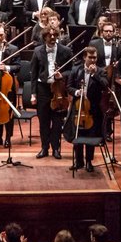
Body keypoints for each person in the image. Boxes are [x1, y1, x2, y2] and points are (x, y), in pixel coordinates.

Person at [30, 25, 72, 160]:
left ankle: (56, 148)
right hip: (43, 89)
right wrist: (33, 94)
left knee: (57, 120)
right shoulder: (37, 51)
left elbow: (71, 70)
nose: (53, 37)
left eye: (55, 35)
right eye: (50, 35)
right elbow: (33, 74)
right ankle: (44, 148)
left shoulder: (65, 51)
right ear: (44, 37)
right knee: (44, 120)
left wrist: (62, 75)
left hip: (58, 88)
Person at [66, 47, 107, 172]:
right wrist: (77, 92)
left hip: (93, 109)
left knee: (90, 134)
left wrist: (94, 75)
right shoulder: (76, 70)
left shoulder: (100, 71)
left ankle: (89, 161)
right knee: (77, 133)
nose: (93, 60)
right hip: (78, 107)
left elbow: (105, 85)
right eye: (90, 57)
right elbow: (69, 87)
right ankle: (79, 161)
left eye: (95, 57)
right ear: (85, 57)